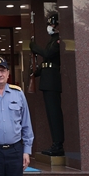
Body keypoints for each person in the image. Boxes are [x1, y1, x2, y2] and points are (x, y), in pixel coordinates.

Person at [29, 13, 65, 156]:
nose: (49, 27)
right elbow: (46, 63)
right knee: (51, 115)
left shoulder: (58, 40)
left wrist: (34, 47)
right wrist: (35, 72)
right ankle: (55, 143)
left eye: (52, 24)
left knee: (55, 114)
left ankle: (58, 144)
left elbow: (48, 54)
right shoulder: (51, 40)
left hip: (53, 82)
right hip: (47, 81)